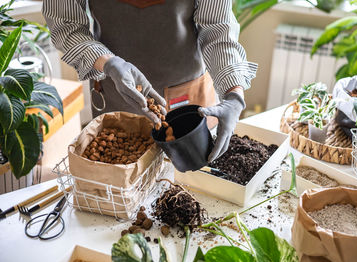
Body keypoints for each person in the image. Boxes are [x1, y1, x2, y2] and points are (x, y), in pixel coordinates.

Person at [42, 0, 257, 162]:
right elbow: (65, 25)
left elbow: (217, 28)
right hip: (115, 94)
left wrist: (234, 93)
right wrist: (108, 63)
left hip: (188, 101)